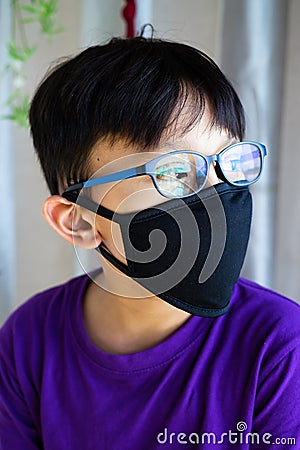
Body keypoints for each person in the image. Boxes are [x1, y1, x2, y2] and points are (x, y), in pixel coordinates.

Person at [0, 36, 300, 450]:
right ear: (79, 221)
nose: (217, 193)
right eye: (175, 172)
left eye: (229, 162)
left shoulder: (279, 346)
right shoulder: (28, 339)